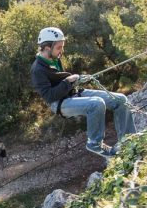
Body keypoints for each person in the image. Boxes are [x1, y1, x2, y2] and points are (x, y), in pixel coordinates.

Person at [30, 27, 136, 158]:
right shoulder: (37, 70)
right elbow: (49, 96)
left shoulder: (54, 59)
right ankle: (94, 143)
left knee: (120, 99)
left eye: (62, 47)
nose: (61, 51)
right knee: (96, 104)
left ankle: (129, 140)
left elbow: (62, 79)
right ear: (47, 48)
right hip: (59, 103)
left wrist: (76, 79)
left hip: (72, 93)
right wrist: (68, 81)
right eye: (59, 47)